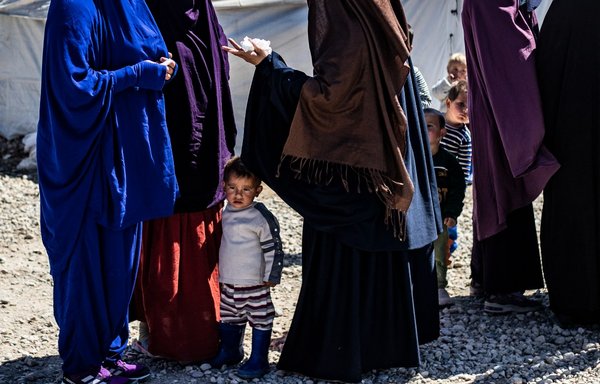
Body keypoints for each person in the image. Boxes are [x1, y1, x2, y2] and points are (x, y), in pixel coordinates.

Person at [222, 0, 442, 382]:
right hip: (383, 167)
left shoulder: (346, 21)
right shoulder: (378, 15)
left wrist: (269, 65)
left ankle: (341, 348)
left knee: (346, 248)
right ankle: (385, 344)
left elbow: (331, 100)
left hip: (354, 171)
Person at [36, 0, 179, 383]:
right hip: (87, 159)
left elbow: (146, 49)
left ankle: (111, 353)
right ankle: (82, 366)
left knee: (119, 262)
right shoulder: (74, 6)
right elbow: (72, 84)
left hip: (126, 155)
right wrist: (137, 74)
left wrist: (162, 67)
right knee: (87, 264)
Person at [129, 0, 237, 362]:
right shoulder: (205, 21)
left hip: (170, 159)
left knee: (169, 237)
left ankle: (162, 333)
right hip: (202, 161)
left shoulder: (150, 20)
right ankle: (209, 331)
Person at [462, 0, 559, 313]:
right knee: (504, 186)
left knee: (495, 187)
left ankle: (489, 280)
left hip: (494, 106)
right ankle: (502, 289)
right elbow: (513, 53)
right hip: (502, 110)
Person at [536, 0, 600, 326]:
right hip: (573, 139)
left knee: (570, 208)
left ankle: (573, 299)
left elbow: (543, 79)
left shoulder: (562, 13)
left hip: (568, 139)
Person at [208, 156, 284, 379]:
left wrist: (272, 274)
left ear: (258, 190)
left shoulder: (259, 217)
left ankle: (259, 359)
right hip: (229, 281)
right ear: (224, 187)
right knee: (230, 316)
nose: (238, 195)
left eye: (246, 189)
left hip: (255, 282)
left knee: (260, 317)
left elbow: (274, 246)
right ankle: (231, 351)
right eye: (232, 188)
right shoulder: (225, 212)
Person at [424, 108, 466, 307]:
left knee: (440, 252)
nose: (424, 130)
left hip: (440, 217)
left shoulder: (449, 162)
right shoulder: (414, 158)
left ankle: (439, 286)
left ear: (442, 132)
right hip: (419, 217)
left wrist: (452, 213)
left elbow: (458, 188)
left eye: (430, 126)